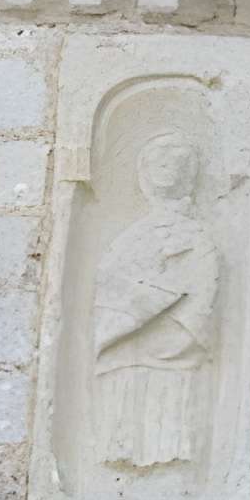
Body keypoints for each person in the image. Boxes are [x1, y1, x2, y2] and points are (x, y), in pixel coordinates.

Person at [90, 136, 221, 476]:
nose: (165, 167)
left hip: (171, 348)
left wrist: (174, 331)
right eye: (157, 162)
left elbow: (202, 292)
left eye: (174, 161)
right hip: (126, 348)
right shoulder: (132, 236)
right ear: (144, 175)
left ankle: (171, 472)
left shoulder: (196, 236)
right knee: (126, 416)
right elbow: (107, 283)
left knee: (169, 423)